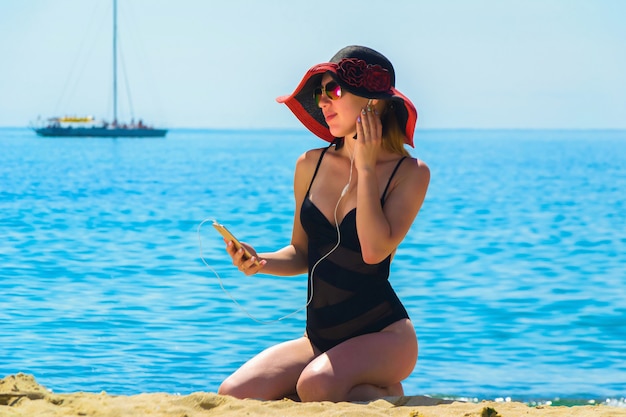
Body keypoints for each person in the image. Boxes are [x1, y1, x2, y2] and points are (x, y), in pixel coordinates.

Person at [217, 45, 430, 403]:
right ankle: (366, 390)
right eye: (320, 93)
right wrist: (261, 262)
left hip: (386, 337)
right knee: (234, 394)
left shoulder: (408, 173)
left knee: (314, 386)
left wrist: (364, 167)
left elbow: (375, 251)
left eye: (333, 91)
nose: (323, 102)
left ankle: (381, 386)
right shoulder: (308, 165)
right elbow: (301, 251)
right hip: (319, 338)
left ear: (372, 103)